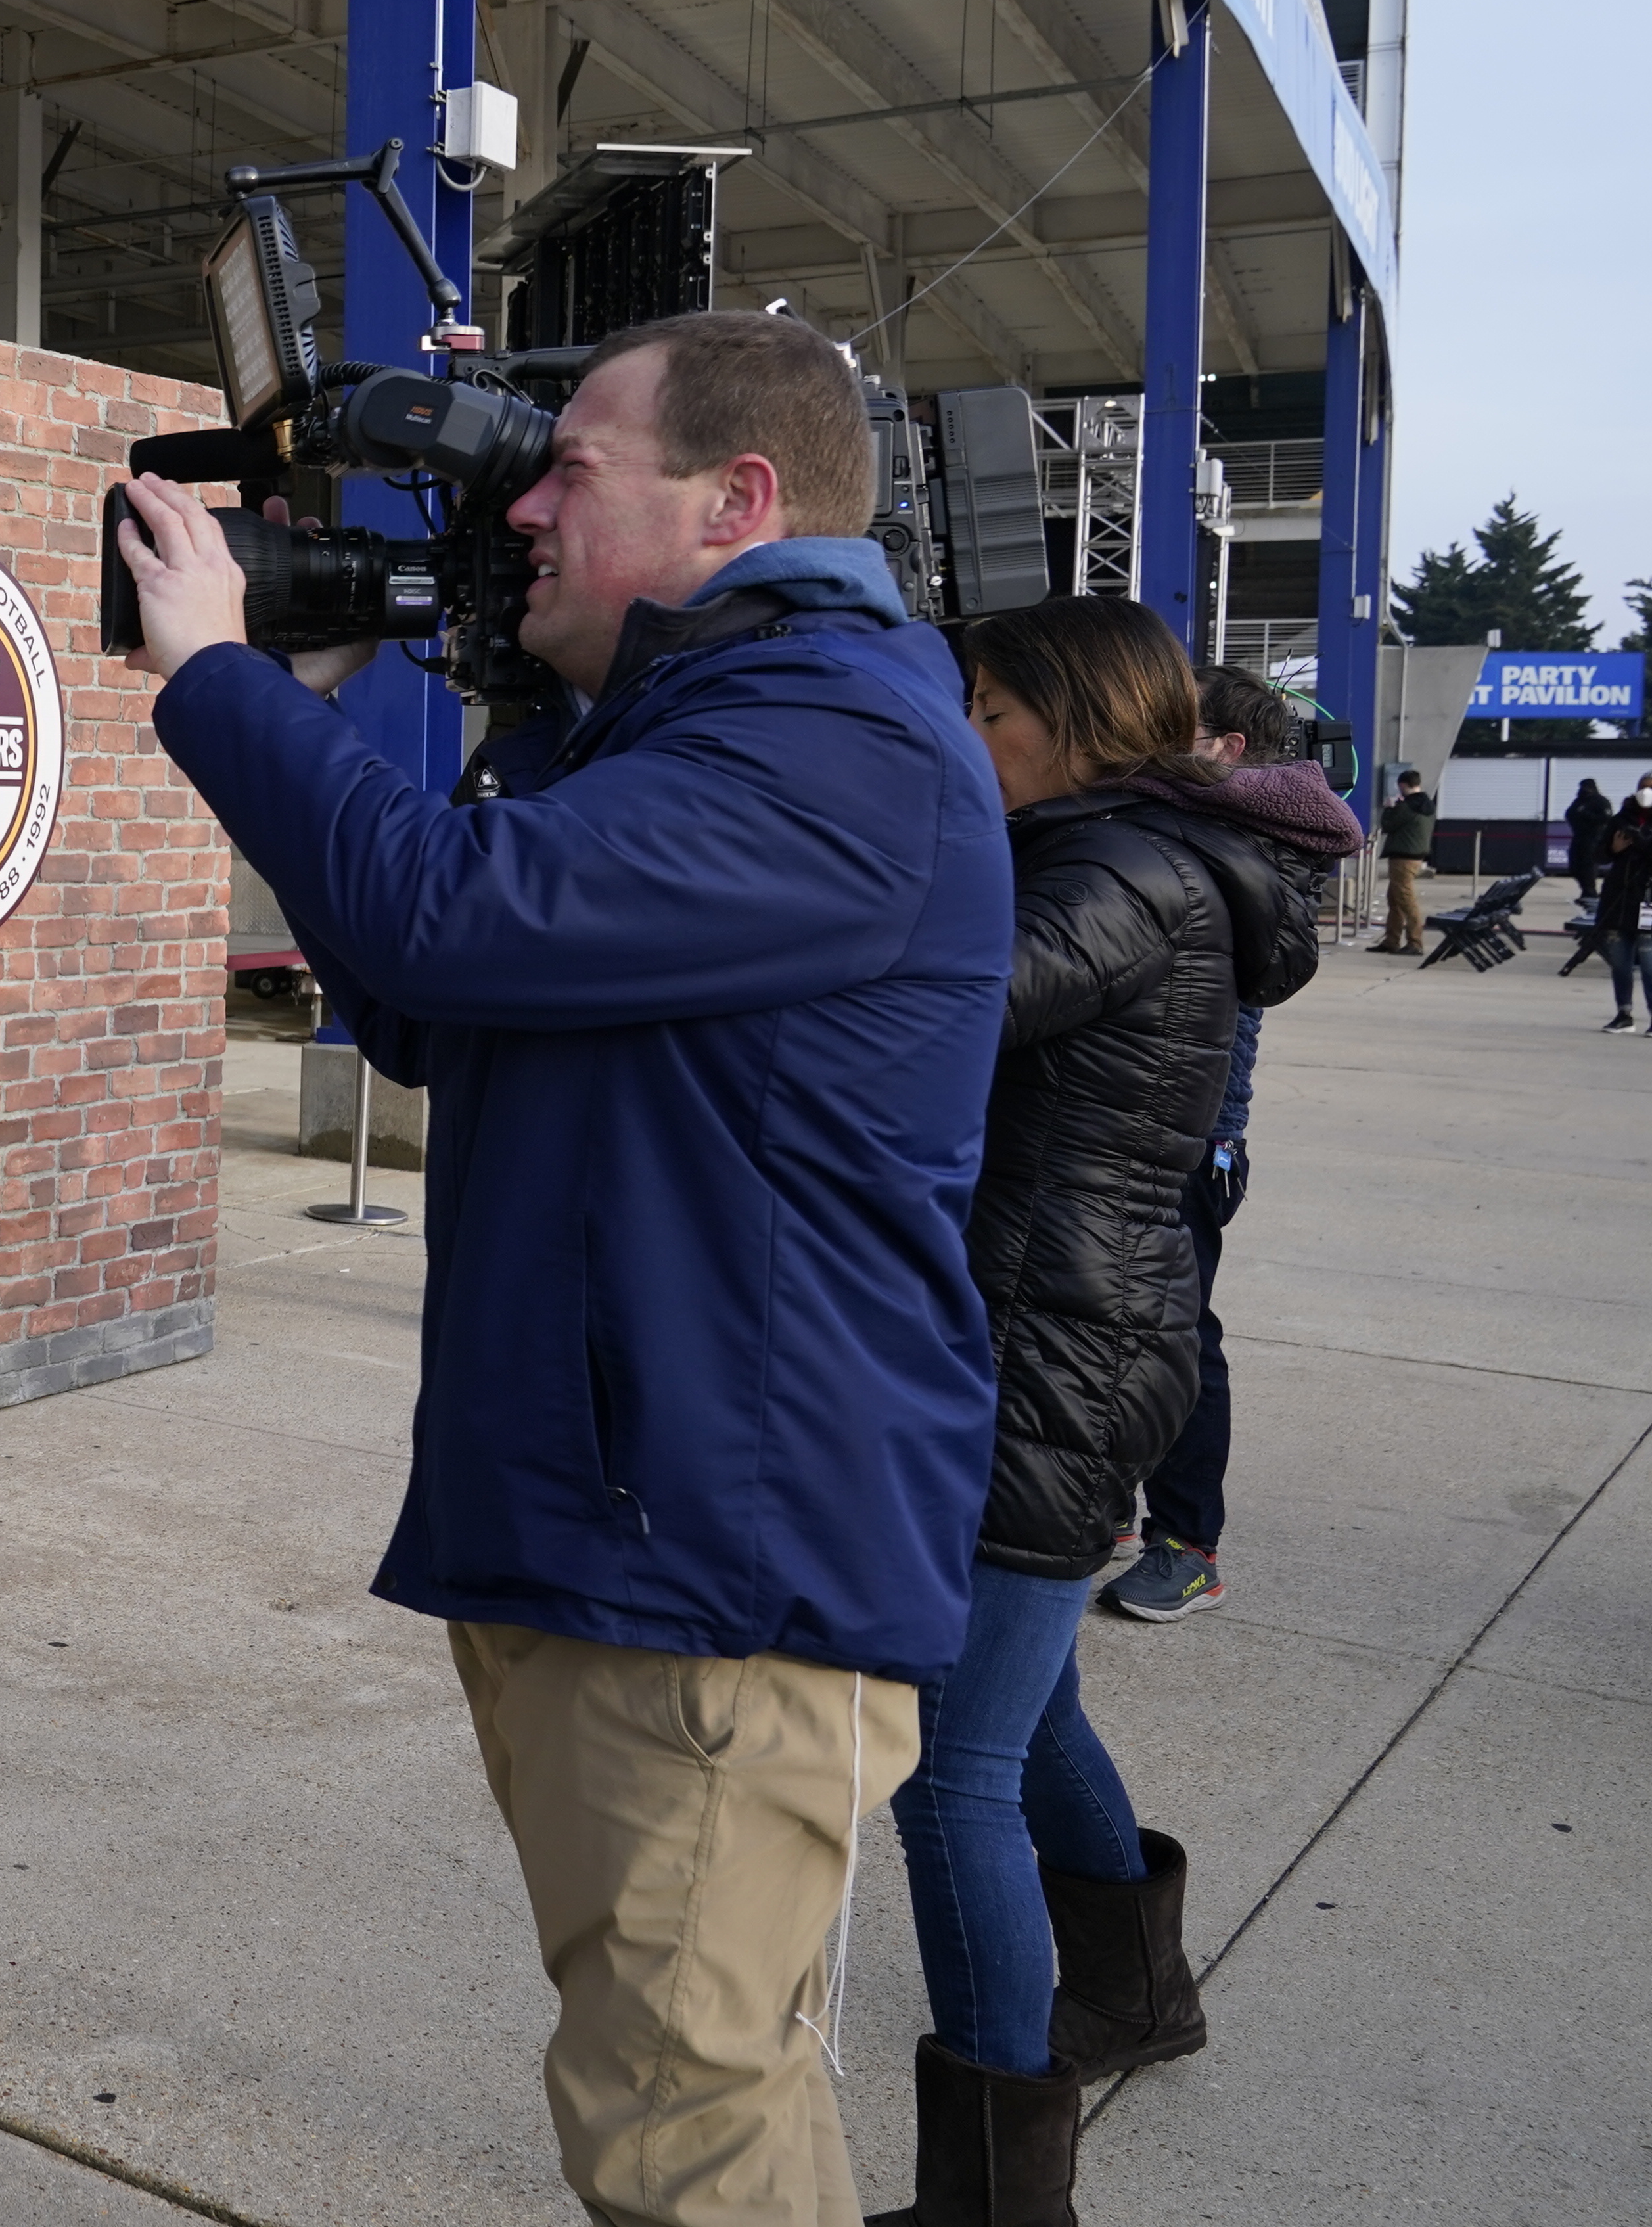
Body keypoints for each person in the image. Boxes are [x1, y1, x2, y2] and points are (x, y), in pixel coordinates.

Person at [115, 310, 1011, 2227]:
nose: (519, 511)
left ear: (735, 499)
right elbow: (442, 1005)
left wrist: (212, 676)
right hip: (619, 1536)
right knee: (693, 2076)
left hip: (709, 1567)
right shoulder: (697, 738)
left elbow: (447, 914)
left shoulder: (838, 740)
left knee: (676, 2111)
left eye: (567, 473)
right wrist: (328, 696)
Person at [865, 599, 1322, 2227]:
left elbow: (929, 1014)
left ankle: (997, 2197)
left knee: (947, 1771)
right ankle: (1134, 1989)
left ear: (1071, 720)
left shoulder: (1113, 873)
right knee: (1029, 1705)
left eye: (988, 711)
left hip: (1042, 1353)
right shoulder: (1130, 854)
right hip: (1070, 1331)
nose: (967, 737)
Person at [1105, 666, 1366, 1624]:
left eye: (1175, 732)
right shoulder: (1190, 813)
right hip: (1129, 1113)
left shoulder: (1250, 834)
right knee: (1101, 1329)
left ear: (1231, 750)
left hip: (1193, 1129)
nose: (1146, 749)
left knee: (1176, 1336)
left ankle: (1188, 1543)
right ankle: (1115, 1511)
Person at [1588, 817, 1649, 1031]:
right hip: (1618, 903)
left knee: (1649, 967)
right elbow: (1598, 855)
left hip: (1647, 903)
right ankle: (1624, 1013)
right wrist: (1613, 849)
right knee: (1620, 965)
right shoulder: (1622, 820)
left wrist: (1641, 842)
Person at [1375, 769, 1435, 952]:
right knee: (1395, 900)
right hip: (1416, 857)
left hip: (1402, 859)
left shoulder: (1406, 806)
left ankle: (1415, 942)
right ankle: (1391, 940)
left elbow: (1387, 826)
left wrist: (1388, 808)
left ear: (1403, 785)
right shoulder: (1428, 805)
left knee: (1406, 901)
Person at [1567, 778, 1616, 905]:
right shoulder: (1579, 801)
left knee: (1588, 865)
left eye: (1587, 787)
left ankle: (1590, 892)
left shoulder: (1601, 802)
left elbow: (1606, 818)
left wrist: (1586, 815)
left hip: (1594, 838)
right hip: (1579, 837)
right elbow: (1570, 813)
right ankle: (1585, 889)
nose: (1584, 790)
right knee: (1575, 865)